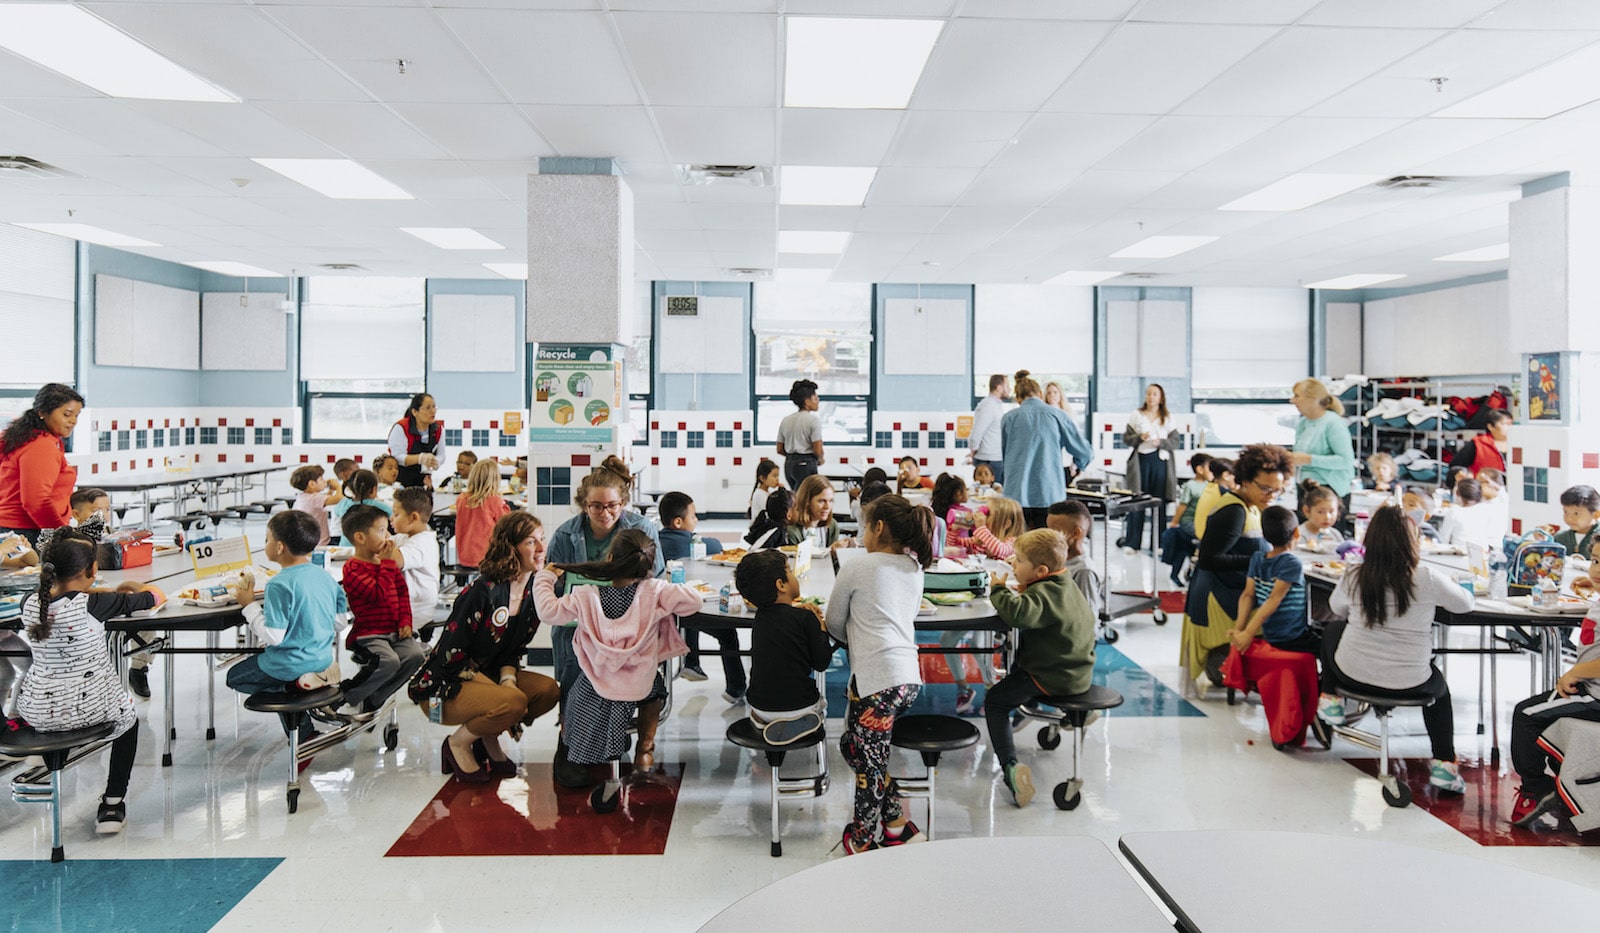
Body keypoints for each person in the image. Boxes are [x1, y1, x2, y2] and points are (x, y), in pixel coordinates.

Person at [534, 530, 695, 808]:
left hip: (596, 686)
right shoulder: (654, 593)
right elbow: (694, 602)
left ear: (610, 558)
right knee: (657, 689)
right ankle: (645, 748)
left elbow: (548, 611)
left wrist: (545, 578)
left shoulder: (586, 597)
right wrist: (665, 586)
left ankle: (603, 761)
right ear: (648, 565)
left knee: (576, 695)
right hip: (639, 684)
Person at [17, 529, 162, 835]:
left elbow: (61, 601)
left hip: (39, 712)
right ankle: (112, 803)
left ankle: (55, 758)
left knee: (56, 715)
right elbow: (153, 597)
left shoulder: (30, 603)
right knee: (129, 719)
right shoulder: (95, 607)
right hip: (93, 709)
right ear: (92, 570)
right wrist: (127, 591)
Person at [1320, 505, 1473, 794]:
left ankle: (1330, 699)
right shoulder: (1427, 577)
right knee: (1440, 692)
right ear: (1411, 541)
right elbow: (1465, 604)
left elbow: (1334, 608)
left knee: (1332, 630)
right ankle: (1444, 766)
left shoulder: (1354, 574)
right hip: (1411, 682)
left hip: (1351, 675)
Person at [410, 512, 560, 783]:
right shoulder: (483, 591)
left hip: (488, 676)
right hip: (441, 688)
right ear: (511, 547)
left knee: (547, 691)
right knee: (513, 701)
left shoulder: (531, 593)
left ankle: (488, 735)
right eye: (530, 541)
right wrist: (506, 696)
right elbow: (451, 657)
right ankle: (456, 744)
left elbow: (513, 650)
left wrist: (508, 681)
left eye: (542, 539)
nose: (540, 549)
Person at [824, 494, 936, 854]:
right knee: (855, 748)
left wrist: (852, 637)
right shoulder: (913, 567)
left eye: (863, 526)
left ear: (879, 527)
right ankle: (896, 824)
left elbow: (833, 621)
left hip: (876, 681)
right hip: (906, 678)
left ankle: (860, 839)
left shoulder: (857, 566)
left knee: (868, 768)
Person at [545, 456, 664, 787]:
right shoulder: (566, 535)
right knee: (573, 680)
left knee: (633, 681)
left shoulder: (641, 529)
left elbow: (658, 578)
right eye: (595, 506)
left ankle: (633, 744)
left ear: (623, 503)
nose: (604, 513)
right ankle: (568, 743)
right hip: (578, 628)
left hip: (629, 625)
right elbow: (554, 584)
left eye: (611, 505)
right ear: (583, 504)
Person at [984, 528, 1097, 808]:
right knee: (1018, 683)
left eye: (1019, 561)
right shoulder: (1065, 583)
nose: (1013, 564)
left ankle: (1010, 767)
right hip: (1079, 672)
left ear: (1041, 570)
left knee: (996, 701)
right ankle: (1074, 714)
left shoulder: (1044, 593)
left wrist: (999, 589)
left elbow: (1017, 614)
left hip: (1052, 675)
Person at [226, 510, 346, 751]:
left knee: (234, 678)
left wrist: (248, 604)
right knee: (272, 669)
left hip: (288, 663)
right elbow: (339, 623)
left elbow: (274, 636)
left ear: (280, 547)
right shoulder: (325, 576)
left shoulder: (279, 584)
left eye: (267, 539)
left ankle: (293, 693)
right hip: (321, 659)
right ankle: (299, 691)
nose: (266, 544)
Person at [1183, 444, 1292, 693]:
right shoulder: (1234, 511)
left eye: (1277, 490)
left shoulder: (1249, 506)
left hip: (1233, 588)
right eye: (1265, 488)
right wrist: (1261, 560)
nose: (1271, 495)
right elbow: (1209, 559)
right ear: (1244, 480)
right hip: (1220, 596)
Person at [1510, 539, 1600, 827]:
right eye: (1595, 561)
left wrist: (1575, 673)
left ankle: (1537, 789)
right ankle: (1563, 785)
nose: (1596, 569)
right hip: (1590, 687)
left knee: (1526, 715)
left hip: (1596, 696)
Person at [734, 549, 835, 744]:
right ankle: (803, 721)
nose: (794, 575)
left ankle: (765, 721)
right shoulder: (806, 619)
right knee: (820, 702)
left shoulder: (760, 618)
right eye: (789, 571)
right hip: (801, 705)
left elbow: (782, 618)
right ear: (781, 584)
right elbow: (822, 662)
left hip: (759, 705)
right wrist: (821, 628)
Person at [335, 505, 425, 720]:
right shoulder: (353, 568)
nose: (388, 536)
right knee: (389, 661)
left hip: (394, 630)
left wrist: (406, 621)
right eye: (382, 530)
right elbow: (378, 594)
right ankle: (346, 694)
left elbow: (402, 593)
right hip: (369, 634)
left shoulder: (387, 564)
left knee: (415, 656)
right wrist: (386, 564)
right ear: (360, 537)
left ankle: (375, 698)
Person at [659, 491, 746, 703]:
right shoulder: (694, 544)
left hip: (662, 610)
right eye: (694, 516)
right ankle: (736, 688)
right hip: (685, 609)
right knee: (727, 634)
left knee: (686, 603)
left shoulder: (656, 540)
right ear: (678, 522)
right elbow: (716, 545)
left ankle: (692, 663)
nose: (696, 520)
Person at [1001, 370, 1091, 529]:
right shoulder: (1057, 416)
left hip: (1016, 492)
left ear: (1018, 398)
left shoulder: (1009, 418)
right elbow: (1084, 451)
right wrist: (1079, 466)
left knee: (1017, 545)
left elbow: (1005, 454)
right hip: (1048, 492)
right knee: (1047, 544)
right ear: (1041, 394)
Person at [0, 383, 84, 544]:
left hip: (12, 531)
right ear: (43, 413)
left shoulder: (25, 438)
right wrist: (63, 536)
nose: (73, 421)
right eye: (67, 414)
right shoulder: (41, 445)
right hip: (27, 533)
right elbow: (36, 501)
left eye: (76, 415)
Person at [1229, 506, 1318, 656]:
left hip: (1270, 633)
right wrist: (1247, 633)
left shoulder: (1257, 558)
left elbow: (1247, 596)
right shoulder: (1292, 562)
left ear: (1264, 535)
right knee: (1330, 646)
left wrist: (1240, 628)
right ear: (1297, 532)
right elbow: (1274, 599)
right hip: (1292, 636)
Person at [1119, 384, 1180, 553]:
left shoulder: (1168, 417)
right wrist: (1140, 437)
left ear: (1161, 398)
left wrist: (1161, 442)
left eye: (1155, 394)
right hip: (1141, 462)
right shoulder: (1136, 415)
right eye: (1148, 393)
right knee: (1137, 501)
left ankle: (1158, 543)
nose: (1151, 397)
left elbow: (1175, 442)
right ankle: (1132, 543)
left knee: (1158, 503)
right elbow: (1126, 438)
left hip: (1161, 463)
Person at [1288, 378, 1355, 529]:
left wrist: (1308, 459)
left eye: (1297, 396)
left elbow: (1345, 460)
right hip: (1306, 489)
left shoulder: (1333, 423)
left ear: (1313, 399)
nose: (1292, 400)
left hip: (1329, 493)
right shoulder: (1303, 423)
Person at [388, 487, 441, 636]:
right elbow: (387, 544)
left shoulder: (422, 542)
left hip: (416, 611)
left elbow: (394, 559)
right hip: (407, 605)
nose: (391, 519)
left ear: (413, 518)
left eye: (396, 514)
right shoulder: (406, 535)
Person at [1047, 500, 1103, 621]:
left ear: (1076, 533)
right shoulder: (1057, 558)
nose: (1049, 535)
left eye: (1055, 531)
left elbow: (1089, 618)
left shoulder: (1083, 571)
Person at [1162, 453, 1212, 585]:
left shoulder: (1209, 485)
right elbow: (1182, 506)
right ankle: (1192, 567)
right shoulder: (1190, 486)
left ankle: (1188, 569)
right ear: (1199, 469)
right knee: (1204, 539)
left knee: (1184, 548)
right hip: (1189, 522)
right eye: (1209, 468)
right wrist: (1174, 522)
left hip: (1202, 522)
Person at [453, 458, 511, 569]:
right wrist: (505, 506)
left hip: (464, 555)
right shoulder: (493, 500)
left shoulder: (461, 499)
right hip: (486, 557)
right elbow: (505, 523)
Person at [388, 392, 443, 489]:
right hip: (401, 482)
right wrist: (420, 458)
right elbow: (397, 456)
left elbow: (441, 455)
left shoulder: (438, 429)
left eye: (434, 407)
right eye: (428, 408)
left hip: (424, 482)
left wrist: (435, 462)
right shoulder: (401, 427)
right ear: (414, 412)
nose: (433, 411)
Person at [776, 379, 823, 489]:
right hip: (806, 464)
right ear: (807, 402)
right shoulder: (813, 420)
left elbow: (779, 449)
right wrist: (820, 458)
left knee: (795, 497)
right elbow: (817, 450)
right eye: (815, 398)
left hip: (789, 465)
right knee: (806, 499)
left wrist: (793, 458)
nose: (818, 400)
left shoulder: (786, 420)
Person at [34, 487, 109, 556]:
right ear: (77, 515)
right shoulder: (68, 541)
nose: (104, 515)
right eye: (96, 511)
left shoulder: (111, 535)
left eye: (107, 510)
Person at [968, 373, 1012, 485]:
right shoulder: (988, 406)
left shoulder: (995, 405)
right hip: (988, 460)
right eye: (1007, 386)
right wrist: (974, 451)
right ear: (999, 387)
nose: (1010, 389)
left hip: (995, 458)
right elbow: (976, 433)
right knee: (991, 497)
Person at [1447, 408, 1512, 483]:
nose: (1510, 428)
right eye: (1505, 424)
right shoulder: (1478, 444)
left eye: (1511, 424)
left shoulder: (1517, 444)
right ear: (1490, 427)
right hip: (1484, 490)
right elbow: (1456, 466)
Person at [1437, 477, 1503, 549]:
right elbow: (1503, 497)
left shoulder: (1454, 512)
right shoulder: (1488, 509)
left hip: (1460, 555)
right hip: (1482, 555)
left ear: (1457, 493)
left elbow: (1443, 539)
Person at [289, 465, 343, 548]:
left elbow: (325, 499)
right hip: (321, 542)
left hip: (310, 540)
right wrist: (338, 486)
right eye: (321, 479)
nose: (324, 481)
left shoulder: (304, 497)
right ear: (312, 484)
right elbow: (339, 498)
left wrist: (331, 491)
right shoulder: (315, 498)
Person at [785, 474, 841, 548]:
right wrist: (830, 551)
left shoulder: (832, 526)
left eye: (831, 501)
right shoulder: (792, 531)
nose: (827, 507)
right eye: (821, 501)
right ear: (807, 501)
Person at [931, 473, 976, 556]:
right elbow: (975, 528)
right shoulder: (963, 513)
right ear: (958, 494)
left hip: (941, 549)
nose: (967, 491)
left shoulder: (935, 510)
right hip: (961, 550)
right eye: (966, 489)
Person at [968, 496, 1024, 561]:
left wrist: (981, 528)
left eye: (988, 514)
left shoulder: (1013, 542)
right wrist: (956, 529)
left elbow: (999, 550)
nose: (983, 517)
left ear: (1005, 524)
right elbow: (958, 544)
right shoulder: (985, 538)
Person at [1192, 457, 1235, 540]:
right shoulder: (1224, 494)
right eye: (1234, 476)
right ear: (1226, 475)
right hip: (1210, 538)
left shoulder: (1209, 488)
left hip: (1200, 535)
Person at [1298, 481, 1346, 552]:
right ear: (1307, 511)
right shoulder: (1300, 535)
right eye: (1320, 512)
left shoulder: (1335, 534)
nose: (1327, 517)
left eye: (1331, 512)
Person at [1555, 485, 1600, 557]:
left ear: (1596, 515)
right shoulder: (1560, 538)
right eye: (1566, 512)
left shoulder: (1598, 539)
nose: (1569, 518)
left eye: (1576, 513)